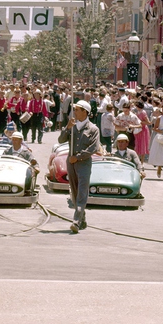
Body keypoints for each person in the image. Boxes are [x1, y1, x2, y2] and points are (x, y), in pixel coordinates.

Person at [58, 100, 100, 234]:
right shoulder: (73, 125)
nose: (74, 112)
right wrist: (67, 128)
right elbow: (61, 140)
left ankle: (76, 220)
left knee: (82, 191)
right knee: (75, 191)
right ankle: (82, 218)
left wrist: (78, 156)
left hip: (83, 163)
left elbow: (93, 147)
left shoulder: (93, 129)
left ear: (85, 112)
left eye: (77, 110)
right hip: (71, 163)